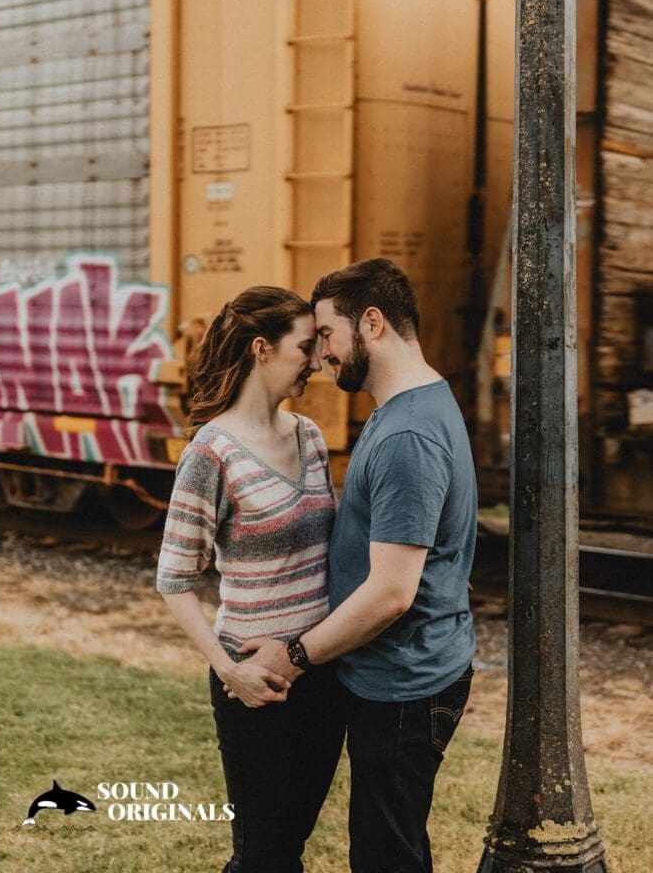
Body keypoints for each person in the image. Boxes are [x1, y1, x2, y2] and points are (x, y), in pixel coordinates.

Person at [231, 259, 477, 873]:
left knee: (384, 856)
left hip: (403, 684)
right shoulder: (415, 404)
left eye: (328, 337)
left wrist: (291, 653)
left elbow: (391, 594)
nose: (319, 359)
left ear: (372, 324)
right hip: (406, 669)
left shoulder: (406, 437)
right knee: (386, 843)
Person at [156, 286, 344, 873]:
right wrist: (228, 666)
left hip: (321, 668)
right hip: (255, 683)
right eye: (305, 348)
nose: (316, 363)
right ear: (261, 349)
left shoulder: (310, 436)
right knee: (263, 855)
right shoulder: (211, 453)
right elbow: (173, 579)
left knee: (289, 847)